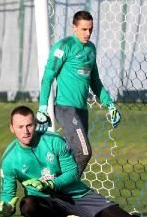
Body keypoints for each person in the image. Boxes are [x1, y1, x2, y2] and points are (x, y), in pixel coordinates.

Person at [0, 105, 147, 217]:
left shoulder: (54, 141)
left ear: (35, 124)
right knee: (28, 205)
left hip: (76, 195)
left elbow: (72, 174)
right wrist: (7, 206)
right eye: (20, 127)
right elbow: (8, 193)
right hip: (46, 201)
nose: (26, 131)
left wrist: (51, 184)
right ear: (12, 128)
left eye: (29, 125)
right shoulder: (9, 159)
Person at [36, 10, 121, 178]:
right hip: (66, 108)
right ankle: (66, 188)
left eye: (91, 29)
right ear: (74, 27)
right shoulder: (64, 46)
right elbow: (47, 78)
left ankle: (54, 187)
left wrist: (110, 105)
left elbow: (95, 82)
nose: (88, 33)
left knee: (72, 155)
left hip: (82, 111)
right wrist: (42, 108)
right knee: (84, 152)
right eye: (84, 29)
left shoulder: (91, 49)